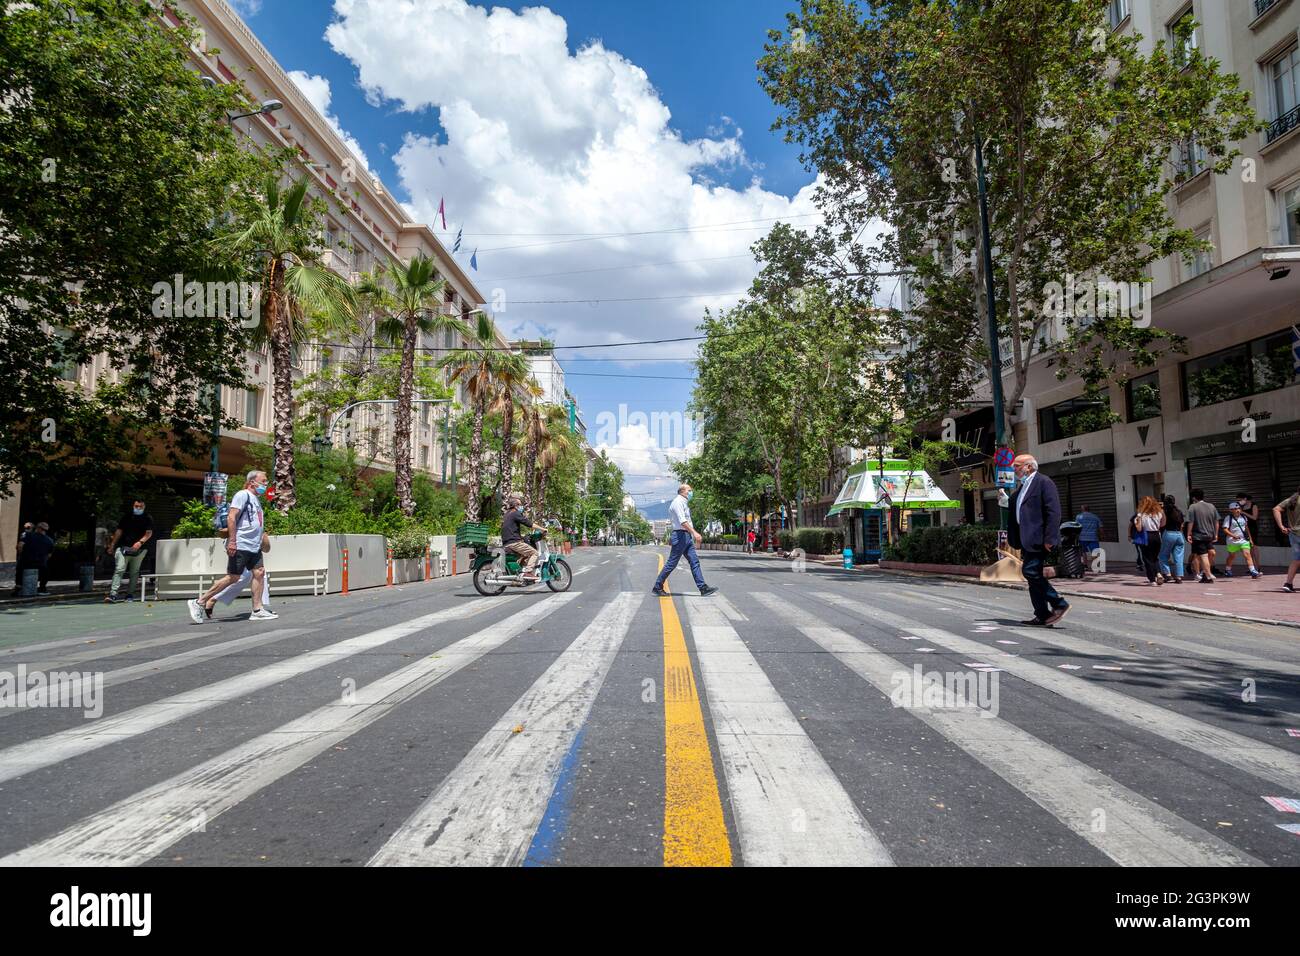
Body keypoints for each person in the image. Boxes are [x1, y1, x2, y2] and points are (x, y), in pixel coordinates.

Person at [187, 470, 276, 623]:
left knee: (259, 573)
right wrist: (233, 541)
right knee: (233, 577)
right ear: (252, 482)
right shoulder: (243, 495)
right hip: (241, 544)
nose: (265, 484)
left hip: (253, 546)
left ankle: (257, 610)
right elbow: (232, 516)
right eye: (263, 481)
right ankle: (199, 602)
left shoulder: (255, 499)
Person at [1006, 454, 1068, 625]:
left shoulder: (1043, 482)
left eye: (1017, 465)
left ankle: (1059, 603)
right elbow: (1019, 506)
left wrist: (1050, 538)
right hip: (1026, 538)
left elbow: (1053, 512)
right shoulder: (1024, 486)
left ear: (1029, 466)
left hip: (1039, 538)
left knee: (1030, 572)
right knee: (1033, 577)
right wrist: (1006, 501)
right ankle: (1042, 614)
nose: (1014, 469)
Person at [652, 483, 718, 597]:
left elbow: (686, 521)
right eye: (689, 490)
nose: (691, 492)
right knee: (672, 563)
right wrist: (695, 533)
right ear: (682, 491)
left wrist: (691, 535)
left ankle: (703, 588)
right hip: (680, 536)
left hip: (685, 536)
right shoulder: (677, 502)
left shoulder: (684, 503)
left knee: (694, 561)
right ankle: (658, 586)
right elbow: (682, 521)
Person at [104, 498, 154, 602]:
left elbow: (148, 533)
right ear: (133, 506)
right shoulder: (126, 517)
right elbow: (119, 531)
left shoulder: (148, 518)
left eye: (140, 507)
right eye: (136, 506)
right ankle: (113, 594)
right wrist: (112, 545)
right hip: (123, 547)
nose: (138, 508)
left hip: (140, 549)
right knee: (119, 569)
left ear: (144, 507)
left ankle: (130, 595)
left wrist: (140, 542)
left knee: (134, 572)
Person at [501, 494, 542, 583]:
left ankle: (520, 574)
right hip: (514, 543)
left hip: (507, 542)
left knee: (524, 554)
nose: (521, 507)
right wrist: (542, 529)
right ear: (516, 506)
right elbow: (528, 523)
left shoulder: (507, 514)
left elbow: (511, 529)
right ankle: (528, 572)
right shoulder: (515, 513)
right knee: (534, 553)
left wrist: (522, 537)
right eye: (520, 505)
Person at [1183, 489, 1219, 584]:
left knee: (1205, 555)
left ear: (1194, 497)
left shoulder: (1192, 507)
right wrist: (1216, 533)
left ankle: (1207, 575)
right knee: (1208, 554)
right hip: (1209, 535)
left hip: (1198, 536)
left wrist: (1189, 534)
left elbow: (1191, 522)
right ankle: (1206, 573)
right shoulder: (1212, 506)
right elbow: (1216, 521)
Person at [1220, 501, 1261, 579]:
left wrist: (1250, 539)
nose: (1238, 510)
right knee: (1232, 556)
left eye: (1238, 508)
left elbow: (1246, 528)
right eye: (1235, 509)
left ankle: (1253, 571)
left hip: (1243, 540)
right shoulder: (1228, 518)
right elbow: (1225, 529)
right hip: (1232, 541)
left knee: (1247, 554)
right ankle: (1227, 569)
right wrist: (1233, 535)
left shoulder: (1243, 517)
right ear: (1231, 510)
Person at [1272, 485, 1300, 593]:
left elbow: (1276, 509)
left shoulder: (1292, 499)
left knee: (1296, 559)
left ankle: (1288, 583)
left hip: (1293, 534)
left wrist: (1281, 526)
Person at [1133, 496, 1166, 585]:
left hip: (1146, 536)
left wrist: (1137, 520)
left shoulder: (1141, 515)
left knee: (1147, 558)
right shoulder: (1159, 513)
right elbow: (1163, 524)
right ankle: (1158, 573)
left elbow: (1139, 529)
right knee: (1155, 557)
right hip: (1156, 536)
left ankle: (1152, 580)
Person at [14, 521, 53, 595]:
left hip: (26, 562)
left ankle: (18, 587)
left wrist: (20, 554)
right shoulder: (50, 540)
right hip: (41, 564)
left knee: (20, 568)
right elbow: (49, 555)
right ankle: (42, 589)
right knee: (45, 571)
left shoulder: (28, 535)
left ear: (38, 528)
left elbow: (20, 546)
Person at [1157, 494, 1185, 583]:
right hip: (1179, 535)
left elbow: (1162, 524)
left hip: (1168, 533)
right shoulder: (1179, 511)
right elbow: (1182, 524)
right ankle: (1179, 577)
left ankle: (1167, 574)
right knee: (1179, 557)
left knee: (1163, 555)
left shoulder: (1164, 511)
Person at [1236, 493, 1262, 571]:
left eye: (1240, 500)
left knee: (1254, 546)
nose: (1239, 502)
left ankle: (1258, 566)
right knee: (1248, 547)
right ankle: (1252, 567)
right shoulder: (1242, 507)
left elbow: (1254, 517)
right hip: (1245, 528)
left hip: (1253, 528)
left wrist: (1243, 512)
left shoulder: (1254, 505)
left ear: (1245, 499)